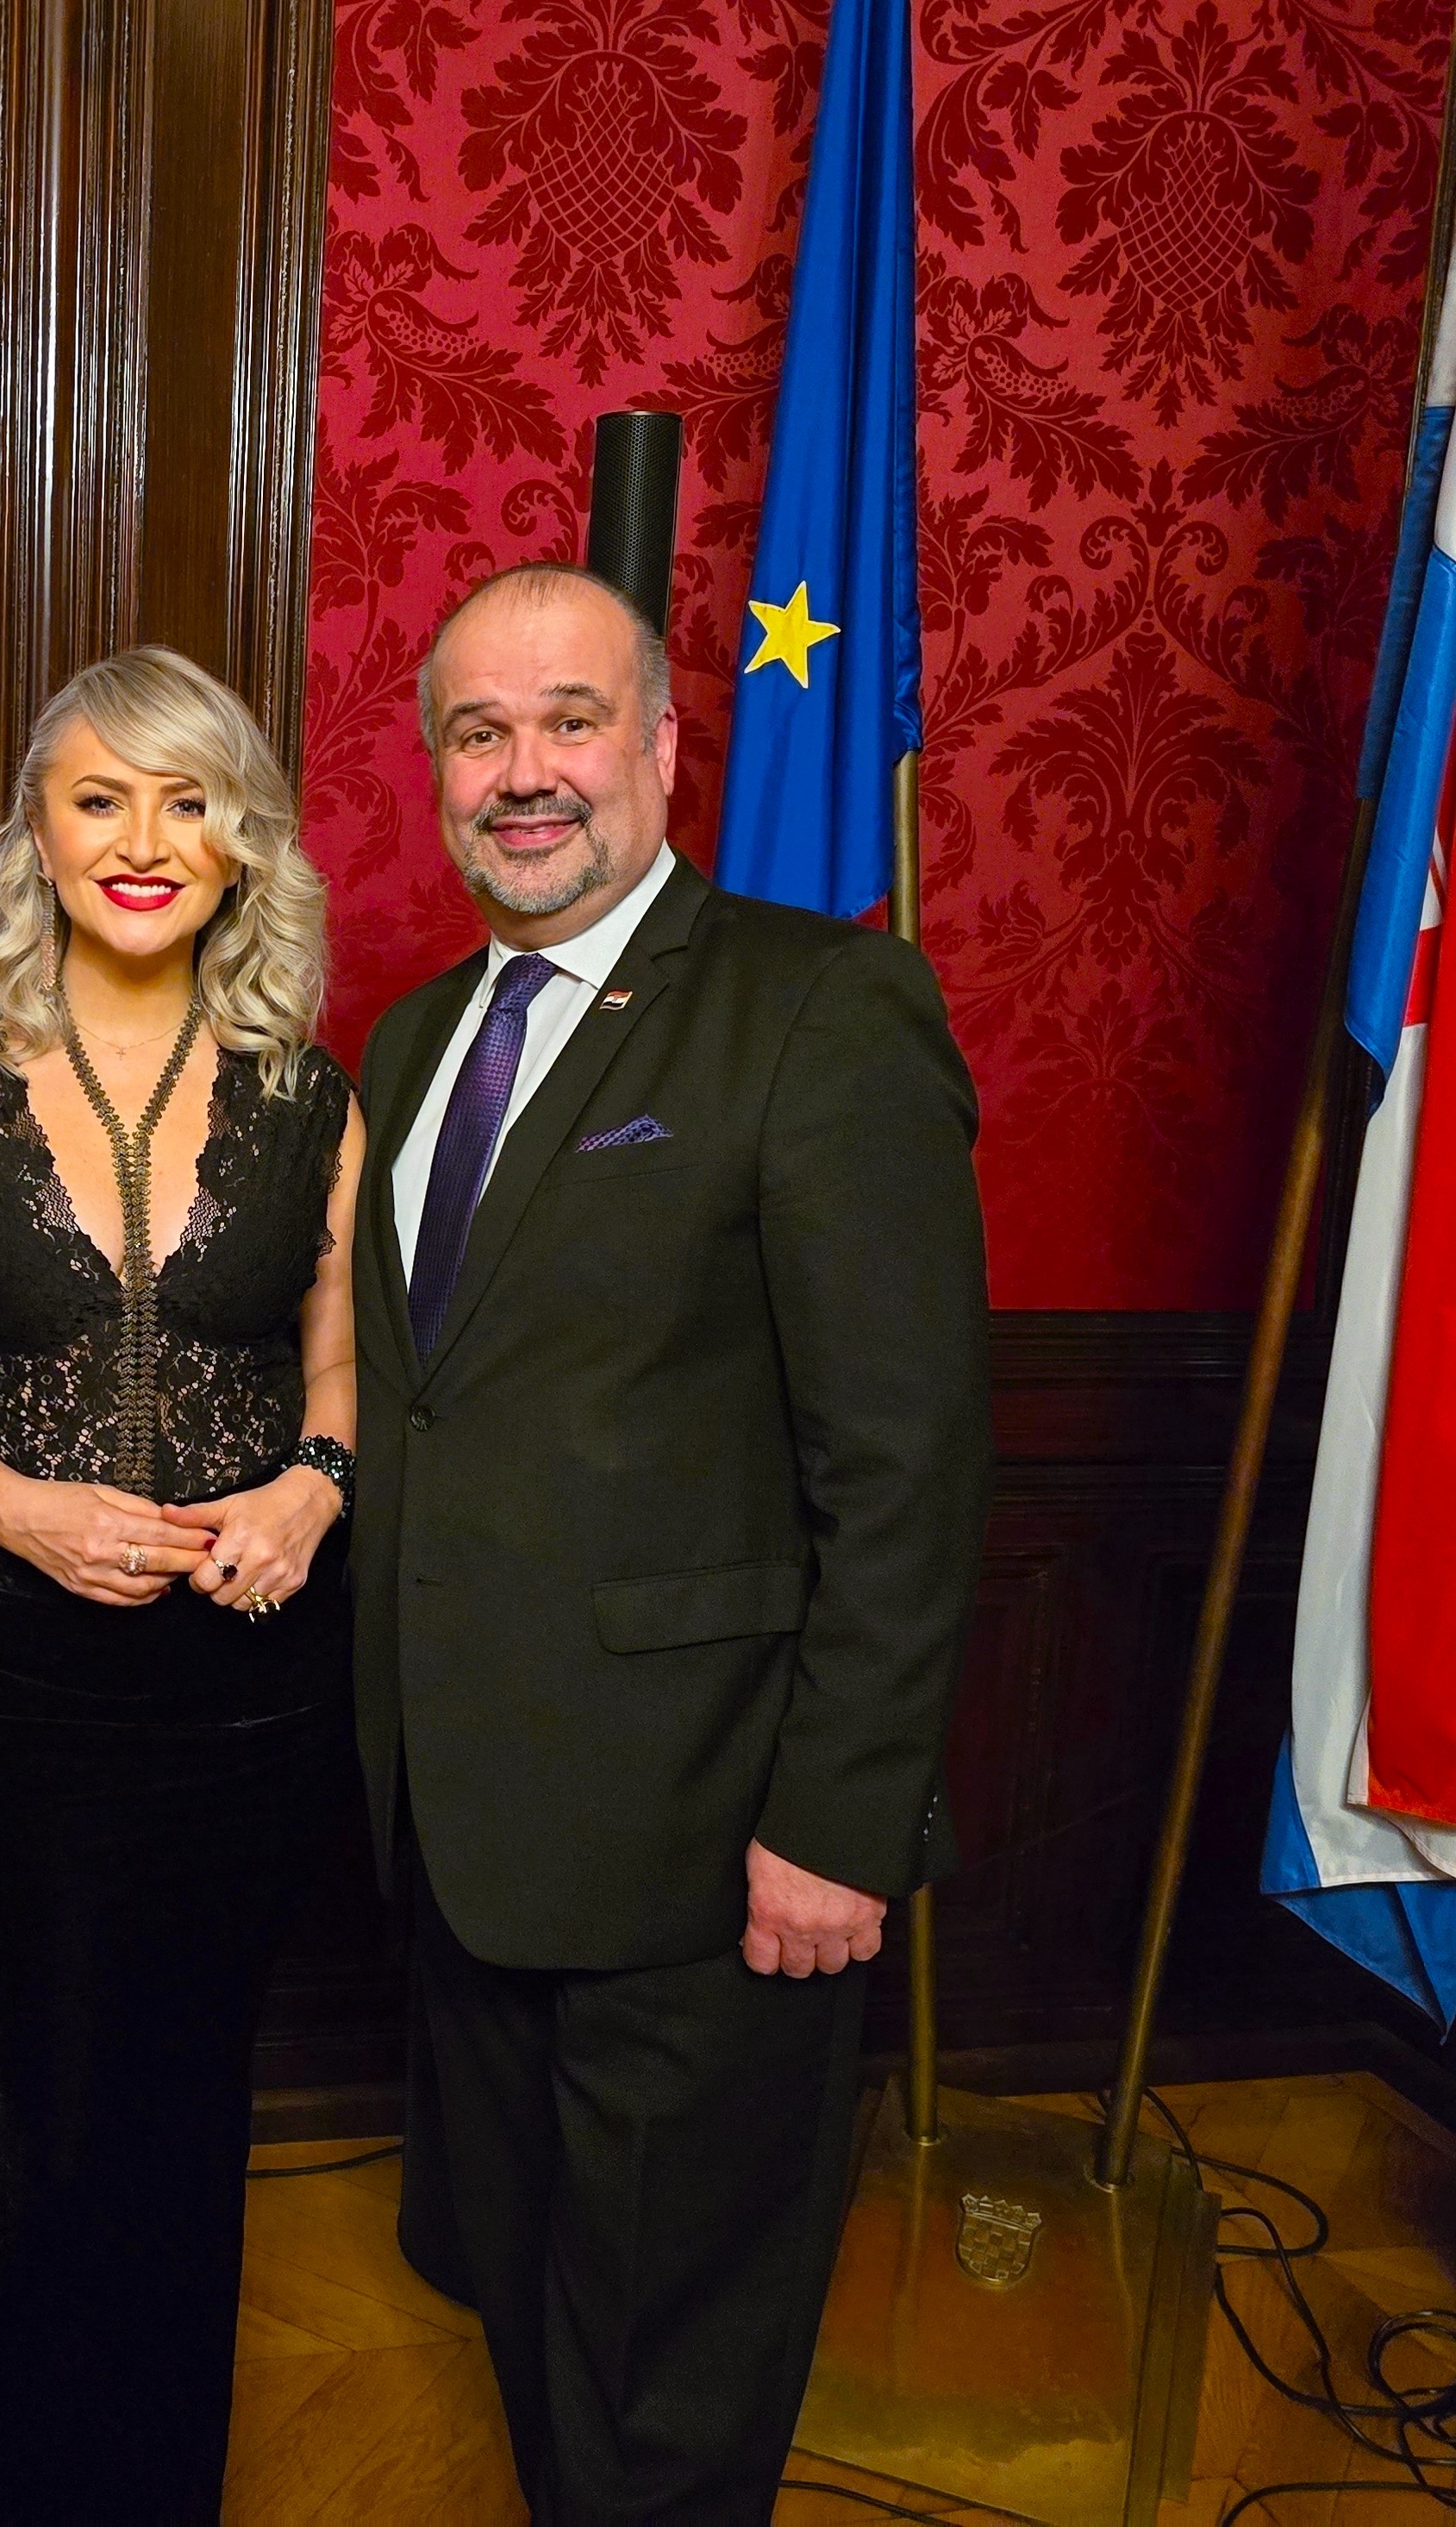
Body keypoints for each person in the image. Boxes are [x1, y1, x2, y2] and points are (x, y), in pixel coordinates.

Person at [351, 565, 990, 2524]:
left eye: (568, 721)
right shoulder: (411, 1044)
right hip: (464, 1840)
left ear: (658, 745)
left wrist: (840, 1825)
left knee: (669, 2382)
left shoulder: (816, 1007)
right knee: (533, 2312)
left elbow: (906, 1462)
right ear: (435, 773)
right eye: (478, 733)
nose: (522, 772)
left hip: (711, 1854)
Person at [0, 647, 365, 2522]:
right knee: (51, 2129)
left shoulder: (310, 1099)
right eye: (98, 800)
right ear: (39, 838)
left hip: (248, 1683)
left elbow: (338, 1365)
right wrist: (19, 1513)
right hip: (20, 1689)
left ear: (240, 846)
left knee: (189, 2116)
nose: (142, 842)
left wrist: (312, 1489)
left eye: (187, 802)